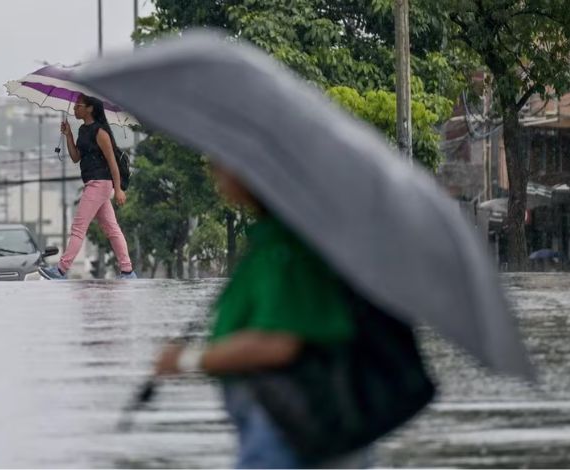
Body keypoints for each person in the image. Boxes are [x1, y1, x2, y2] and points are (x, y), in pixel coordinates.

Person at [153, 163, 369, 468]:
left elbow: (277, 342)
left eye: (224, 163)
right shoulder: (270, 242)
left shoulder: (286, 249)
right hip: (287, 421)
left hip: (288, 427)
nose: (215, 168)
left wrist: (187, 360)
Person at [40, 94, 136, 280]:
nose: (75, 109)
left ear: (90, 108)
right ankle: (127, 271)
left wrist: (118, 189)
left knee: (78, 227)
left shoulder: (101, 133)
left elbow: (113, 163)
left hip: (100, 183)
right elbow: (76, 157)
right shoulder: (83, 130)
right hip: (92, 183)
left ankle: (60, 270)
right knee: (111, 228)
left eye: (78, 106)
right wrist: (68, 135)